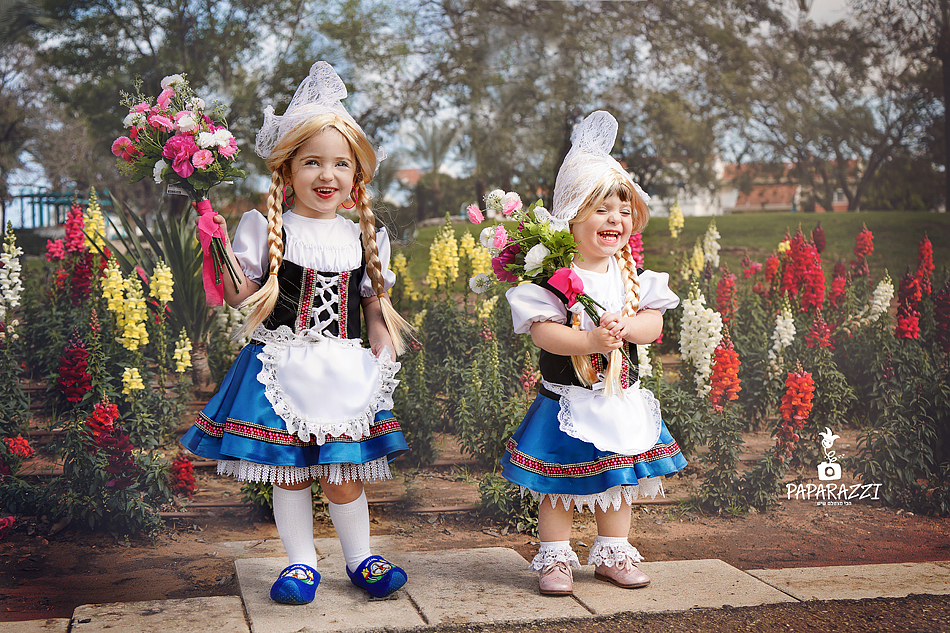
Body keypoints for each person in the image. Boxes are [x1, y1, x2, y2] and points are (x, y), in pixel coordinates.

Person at [180, 61, 414, 605]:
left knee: (342, 471)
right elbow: (241, 295)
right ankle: (300, 563)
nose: (326, 175)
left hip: (343, 371)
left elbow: (373, 302)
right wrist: (214, 239)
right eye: (312, 162)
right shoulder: (267, 228)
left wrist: (381, 344)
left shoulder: (364, 236)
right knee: (289, 473)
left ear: (356, 176)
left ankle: (360, 558)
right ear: (287, 170)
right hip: (280, 367)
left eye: (340, 163)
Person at [500, 110, 687, 596]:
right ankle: (556, 558)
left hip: (619, 398)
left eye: (623, 211)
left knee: (618, 481)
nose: (615, 219)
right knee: (559, 485)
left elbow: (654, 323)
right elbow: (543, 333)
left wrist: (629, 327)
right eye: (602, 209)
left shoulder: (633, 278)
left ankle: (613, 551)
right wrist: (586, 341)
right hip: (568, 400)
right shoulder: (555, 280)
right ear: (572, 215)